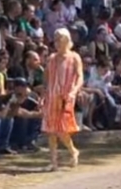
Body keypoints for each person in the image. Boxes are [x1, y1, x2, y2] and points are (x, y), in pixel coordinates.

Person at [42, 27, 84, 171]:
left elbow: (79, 77)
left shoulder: (74, 57)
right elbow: (47, 78)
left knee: (62, 129)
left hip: (66, 96)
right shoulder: (51, 58)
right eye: (56, 40)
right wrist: (44, 94)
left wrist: (74, 91)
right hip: (52, 96)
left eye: (60, 40)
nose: (57, 43)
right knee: (51, 130)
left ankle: (73, 150)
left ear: (67, 40)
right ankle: (53, 161)